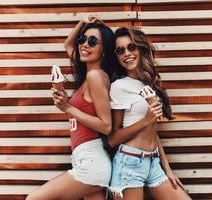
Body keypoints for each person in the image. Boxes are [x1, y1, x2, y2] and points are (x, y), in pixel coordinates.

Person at [26, 14, 116, 200]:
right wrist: (83, 22)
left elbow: (106, 126)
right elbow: (68, 44)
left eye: (93, 41)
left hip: (91, 160)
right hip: (87, 159)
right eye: (83, 39)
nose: (84, 45)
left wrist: (68, 108)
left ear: (105, 50)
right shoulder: (89, 76)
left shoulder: (96, 77)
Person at [105, 27, 193, 200]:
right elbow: (112, 139)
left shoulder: (148, 82)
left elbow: (153, 130)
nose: (127, 53)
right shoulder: (119, 87)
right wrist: (146, 120)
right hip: (129, 164)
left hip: (153, 163)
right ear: (116, 56)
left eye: (131, 47)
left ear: (140, 48)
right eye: (120, 50)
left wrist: (167, 169)